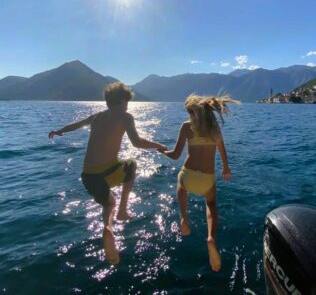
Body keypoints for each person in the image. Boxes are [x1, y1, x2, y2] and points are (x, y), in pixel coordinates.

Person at [48, 82, 167, 265]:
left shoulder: (96, 116)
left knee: (108, 202)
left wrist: (59, 131)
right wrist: (158, 145)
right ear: (122, 101)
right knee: (131, 164)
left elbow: (76, 125)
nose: (127, 105)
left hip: (88, 176)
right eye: (127, 102)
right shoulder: (126, 116)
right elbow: (136, 142)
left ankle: (108, 227)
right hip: (107, 172)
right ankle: (123, 211)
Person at [159, 94, 239, 272]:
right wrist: (226, 168)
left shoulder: (186, 127)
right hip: (207, 179)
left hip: (188, 174)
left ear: (193, 113)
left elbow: (176, 155)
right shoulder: (214, 128)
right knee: (211, 205)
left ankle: (183, 218)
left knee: (181, 185)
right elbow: (223, 152)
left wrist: (162, 150)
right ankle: (211, 237)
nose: (188, 116)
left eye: (189, 112)